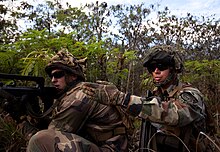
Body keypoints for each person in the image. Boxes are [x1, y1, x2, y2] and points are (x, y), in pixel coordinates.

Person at [82, 45, 210, 152]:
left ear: (173, 68)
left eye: (161, 66)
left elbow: (176, 115)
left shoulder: (190, 94)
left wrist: (123, 99)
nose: (156, 71)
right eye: (152, 68)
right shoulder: (156, 95)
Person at [26, 49, 129, 152]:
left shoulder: (79, 96)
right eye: (51, 76)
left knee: (39, 140)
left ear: (73, 75)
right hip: (106, 146)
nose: (53, 80)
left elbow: (49, 139)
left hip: (110, 149)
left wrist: (23, 124)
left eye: (58, 75)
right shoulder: (74, 92)